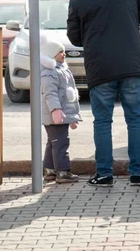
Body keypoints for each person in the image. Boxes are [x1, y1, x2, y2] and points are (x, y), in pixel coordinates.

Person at [67, 0, 140, 187]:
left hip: (100, 69)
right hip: (131, 66)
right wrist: (129, 18)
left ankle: (104, 175)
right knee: (135, 120)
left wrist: (92, 35)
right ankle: (137, 174)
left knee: (102, 122)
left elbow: (74, 38)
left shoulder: (78, 0)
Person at [41, 39, 82, 184]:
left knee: (53, 142)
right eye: (60, 52)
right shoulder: (50, 73)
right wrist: (55, 110)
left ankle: (50, 171)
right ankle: (63, 172)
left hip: (61, 115)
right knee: (61, 143)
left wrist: (71, 116)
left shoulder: (61, 70)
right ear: (52, 55)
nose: (64, 54)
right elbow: (50, 93)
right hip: (55, 115)